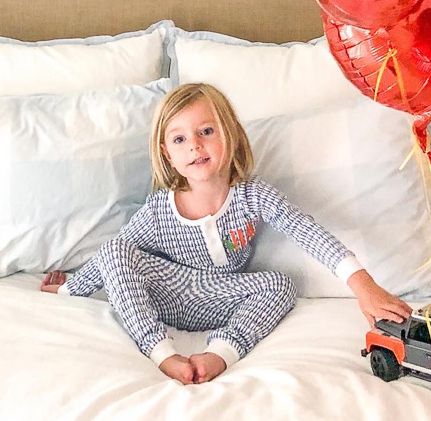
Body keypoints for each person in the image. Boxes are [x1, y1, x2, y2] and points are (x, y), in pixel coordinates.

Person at [42, 82, 411, 385]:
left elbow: (305, 230)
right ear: (168, 155)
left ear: (229, 135)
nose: (195, 146)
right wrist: (67, 289)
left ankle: (220, 354)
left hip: (221, 299)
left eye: (205, 132)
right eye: (180, 139)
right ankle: (162, 354)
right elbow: (113, 257)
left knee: (281, 284)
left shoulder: (253, 197)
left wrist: (363, 284)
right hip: (164, 295)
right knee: (115, 250)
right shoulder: (158, 211)